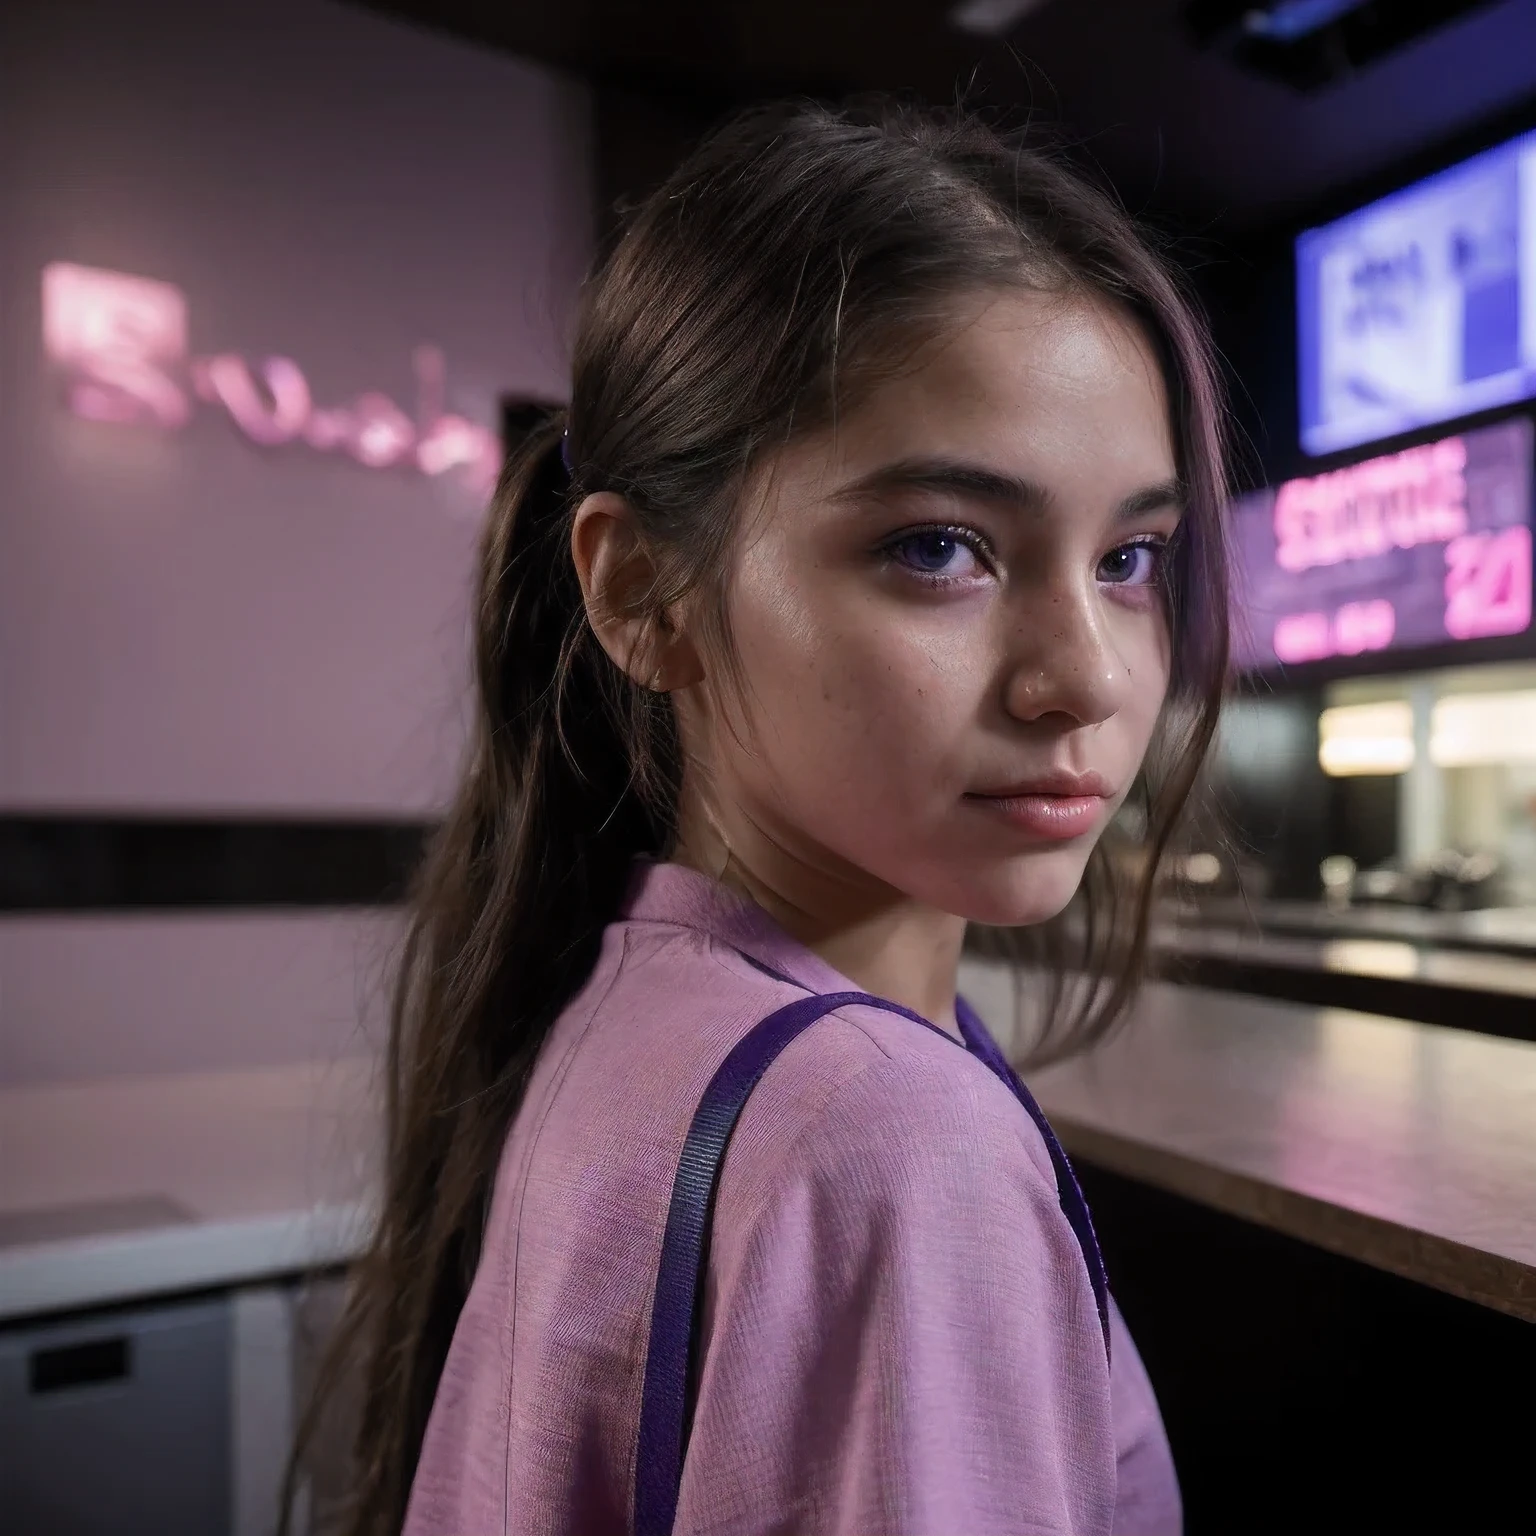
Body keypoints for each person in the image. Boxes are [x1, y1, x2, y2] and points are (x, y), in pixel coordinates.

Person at [296, 99, 1229, 1536]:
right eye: (940, 549)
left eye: (1130, 558)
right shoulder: (893, 1143)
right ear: (641, 591)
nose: (1089, 678)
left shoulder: (628, 992)